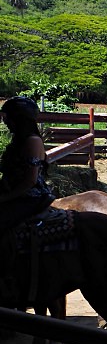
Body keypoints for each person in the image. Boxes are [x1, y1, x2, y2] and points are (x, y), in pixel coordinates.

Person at [0, 97, 57, 238]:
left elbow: (30, 181)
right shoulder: (18, 140)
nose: (5, 121)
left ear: (19, 119)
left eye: (8, 117)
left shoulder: (32, 141)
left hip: (30, 197)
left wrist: (4, 198)